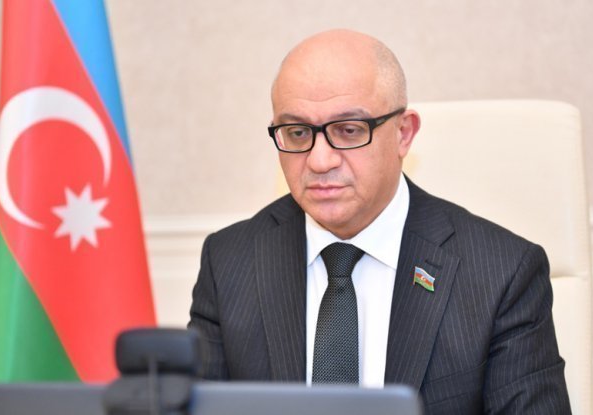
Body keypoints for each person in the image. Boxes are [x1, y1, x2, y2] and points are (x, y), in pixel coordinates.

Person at [189, 29, 571, 414]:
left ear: (404, 134)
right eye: (298, 132)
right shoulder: (229, 262)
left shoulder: (501, 273)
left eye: (349, 130)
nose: (320, 161)